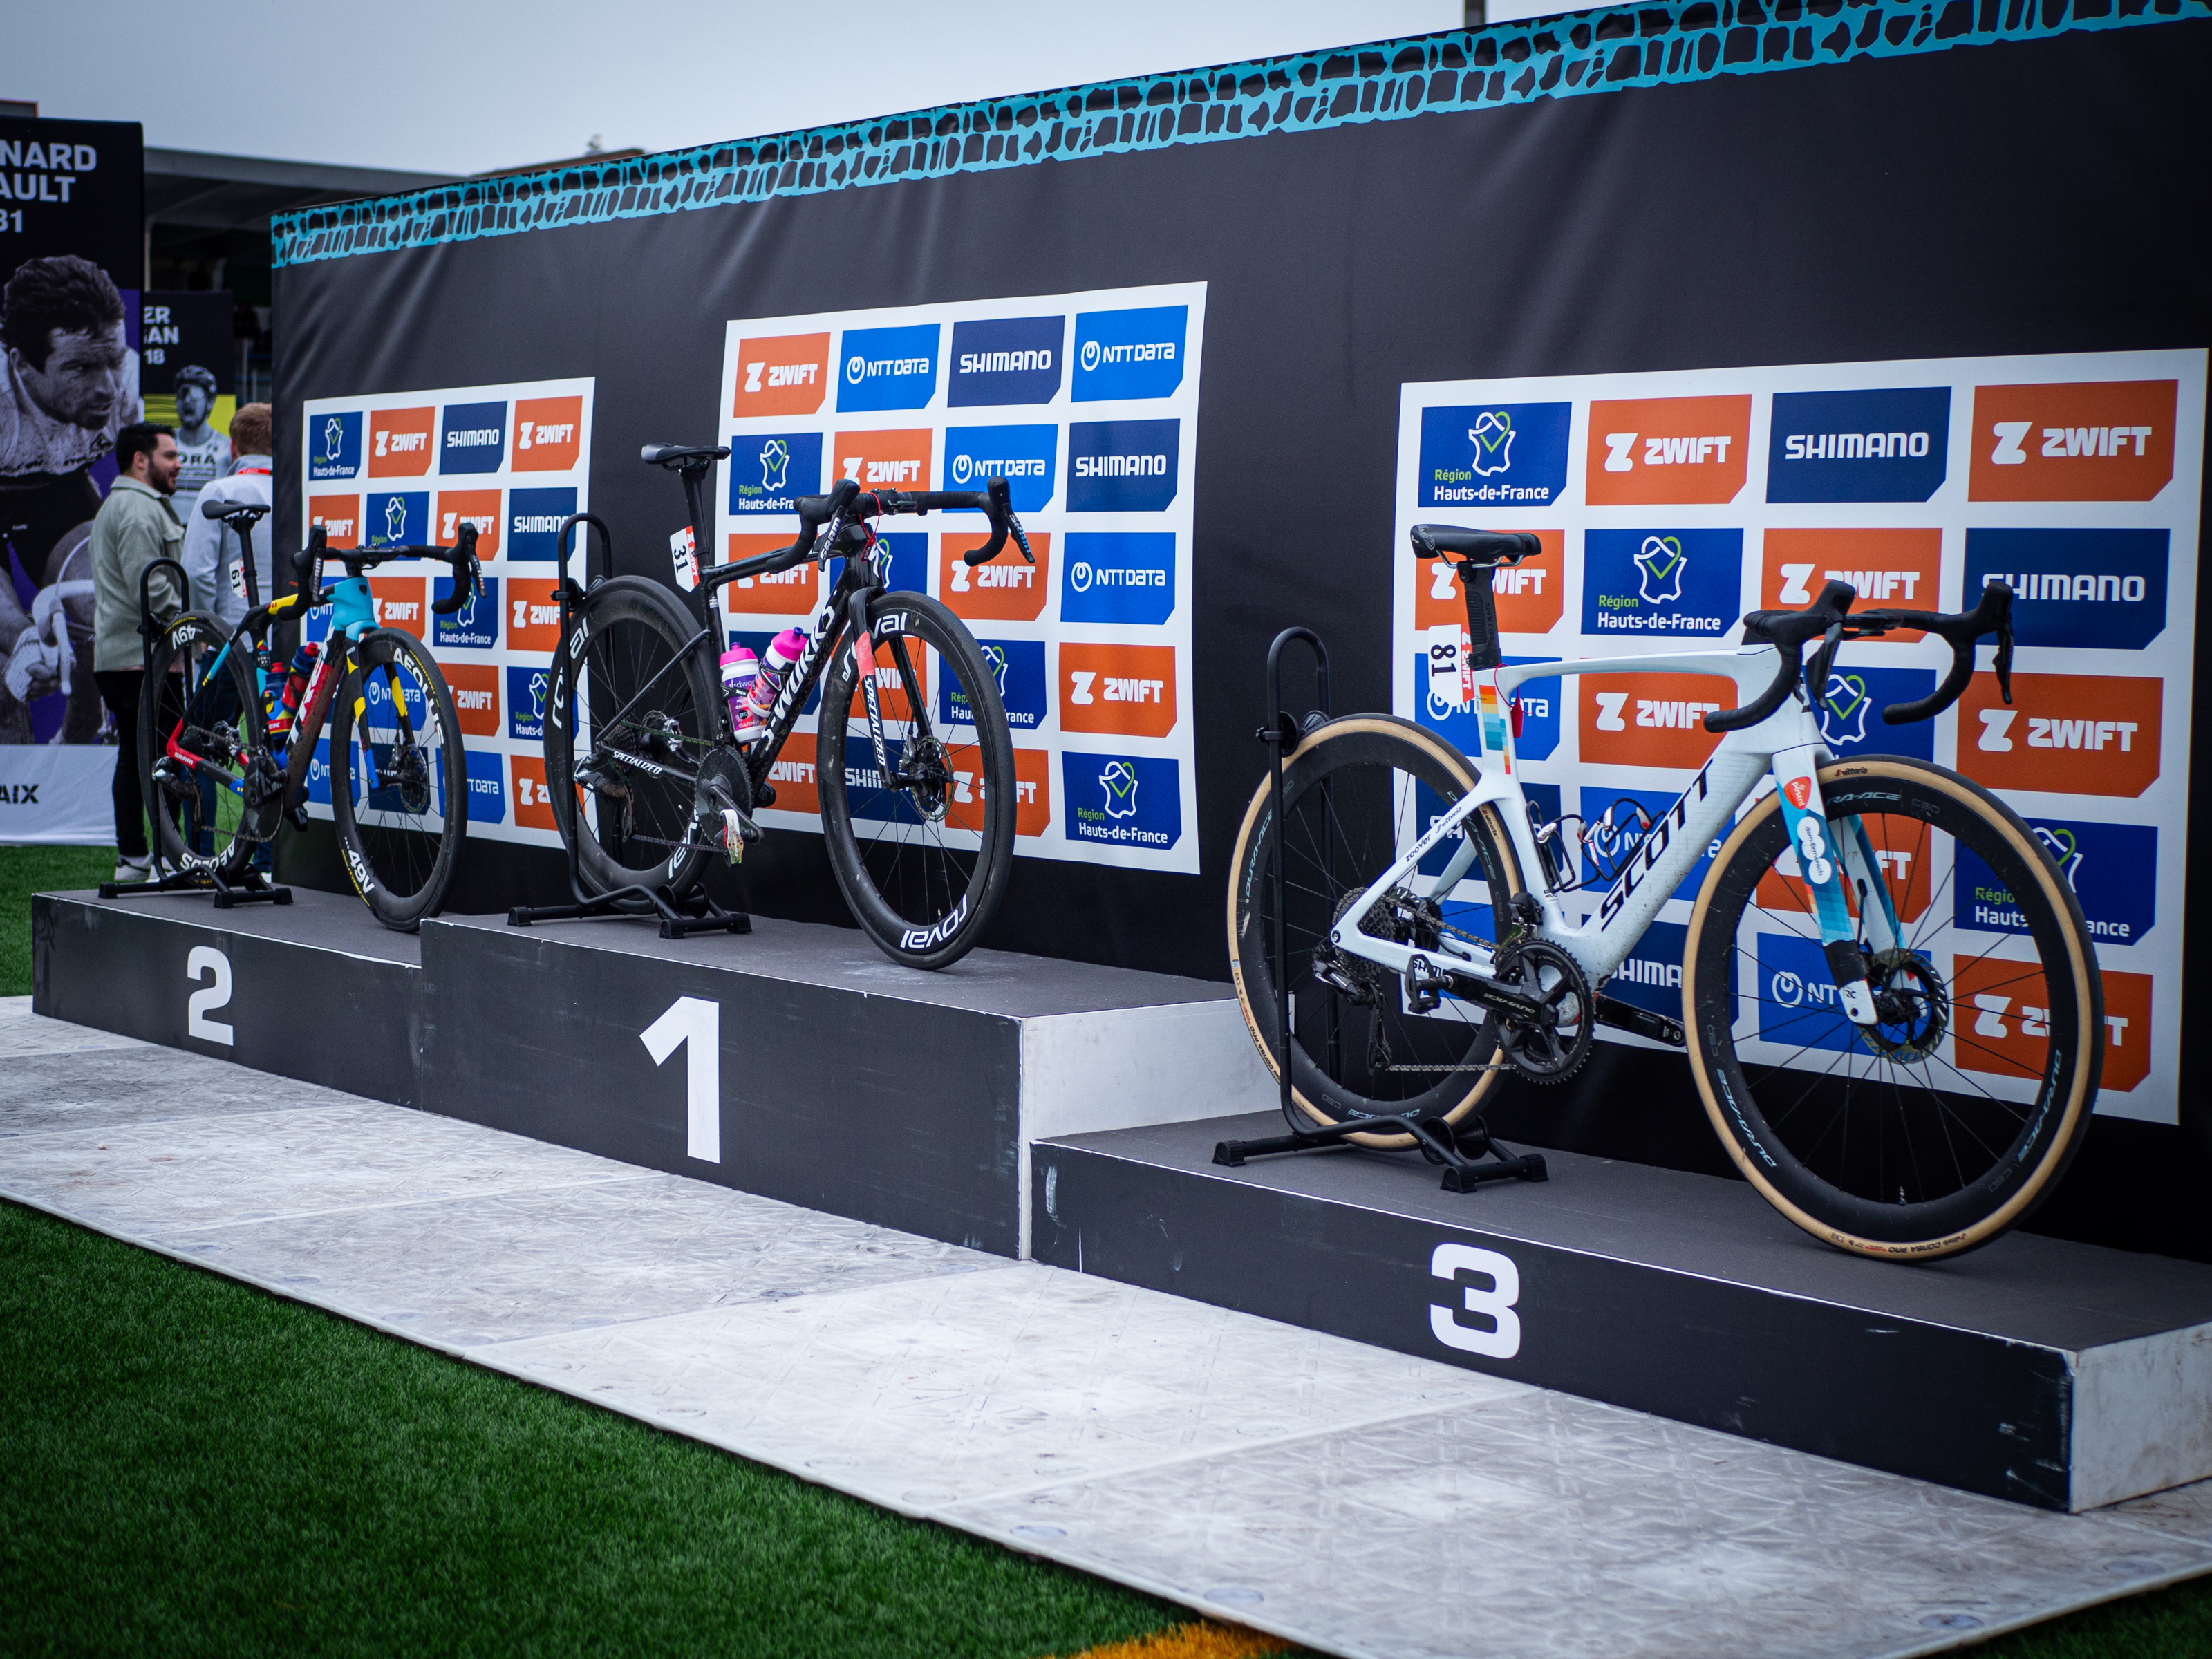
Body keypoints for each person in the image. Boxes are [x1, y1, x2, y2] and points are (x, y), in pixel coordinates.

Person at [0, 255, 140, 744]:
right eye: (80, 367)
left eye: (113, 360)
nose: (106, 387)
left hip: (57, 490)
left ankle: (80, 749)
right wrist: (20, 635)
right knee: (9, 667)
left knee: (100, 616)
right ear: (21, 363)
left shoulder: (125, 382)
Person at [90, 423, 183, 884]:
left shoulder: (123, 504)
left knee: (138, 753)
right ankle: (161, 858)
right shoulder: (135, 510)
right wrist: (196, 623)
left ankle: (139, 858)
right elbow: (151, 587)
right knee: (165, 756)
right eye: (170, 455)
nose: (179, 463)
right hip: (142, 656)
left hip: (128, 654)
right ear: (141, 460)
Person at [182, 401, 270, 628]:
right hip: (296, 641)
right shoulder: (298, 492)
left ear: (232, 448)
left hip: (233, 638)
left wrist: (206, 626)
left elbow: (195, 572)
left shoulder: (219, 491)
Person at [169, 364, 231, 523]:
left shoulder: (227, 447)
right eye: (182, 394)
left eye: (195, 394)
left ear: (210, 402)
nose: (187, 400)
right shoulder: (165, 443)